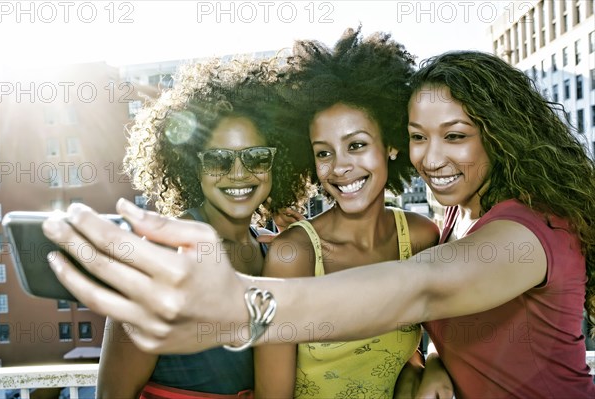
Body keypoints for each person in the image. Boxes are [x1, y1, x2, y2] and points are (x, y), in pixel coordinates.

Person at [43, 50, 595, 398]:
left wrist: (241, 309)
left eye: (455, 135)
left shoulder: (516, 234)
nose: (432, 158)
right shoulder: (456, 217)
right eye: (422, 136)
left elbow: (420, 294)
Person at [96, 57, 310, 398]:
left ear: (276, 164)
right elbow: (112, 395)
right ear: (192, 166)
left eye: (255, 157)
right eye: (219, 159)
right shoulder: (158, 258)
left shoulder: (275, 253)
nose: (238, 174)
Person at [254, 28, 439, 398]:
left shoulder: (422, 238)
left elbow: (442, 340)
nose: (339, 168)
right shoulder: (293, 257)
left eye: (356, 145)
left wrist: (431, 366)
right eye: (323, 152)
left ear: (390, 145)